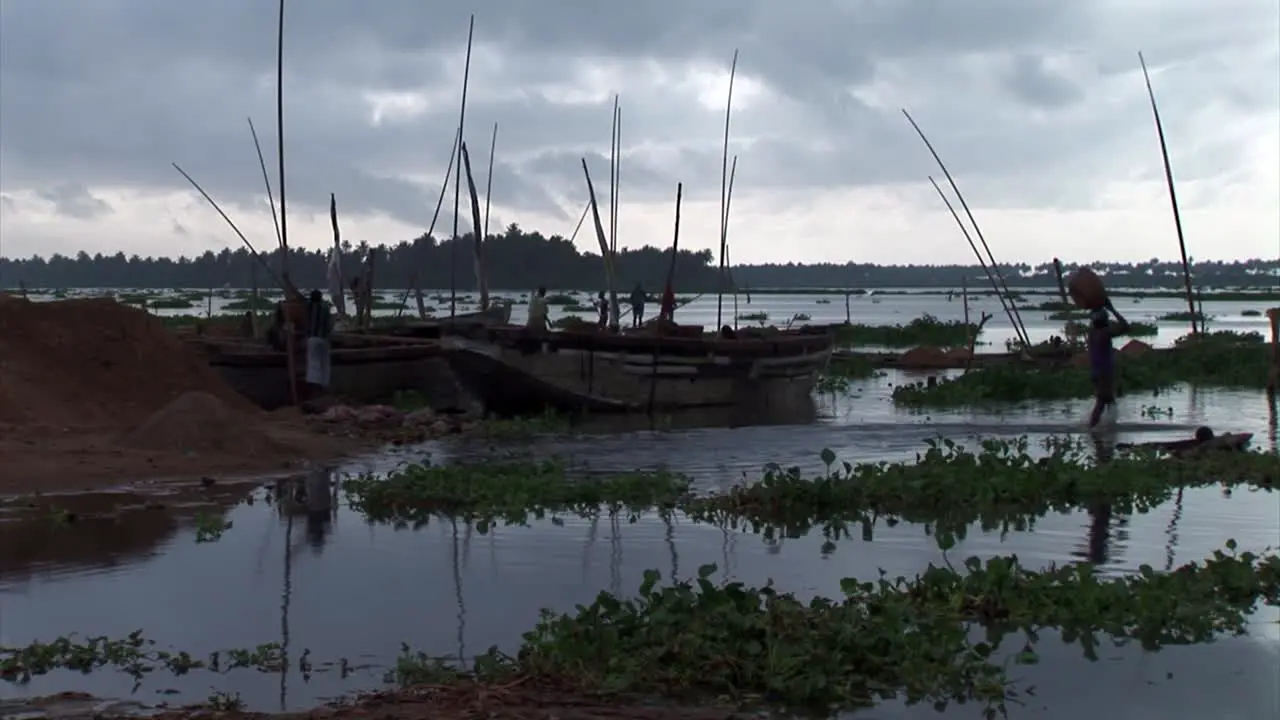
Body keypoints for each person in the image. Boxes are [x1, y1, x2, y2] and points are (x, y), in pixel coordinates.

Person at [1086, 299, 1130, 429]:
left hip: (1097, 372)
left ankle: (1108, 428)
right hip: (1103, 372)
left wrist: (1097, 306)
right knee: (1102, 401)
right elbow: (1125, 326)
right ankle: (1092, 430)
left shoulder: (1092, 333)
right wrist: (1112, 309)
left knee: (1109, 400)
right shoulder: (1103, 333)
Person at [305, 289, 333, 396]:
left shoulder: (309, 306)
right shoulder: (325, 307)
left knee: (313, 364)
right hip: (324, 340)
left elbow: (299, 297)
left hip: (313, 339)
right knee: (325, 365)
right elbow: (329, 325)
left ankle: (315, 392)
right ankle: (324, 389)